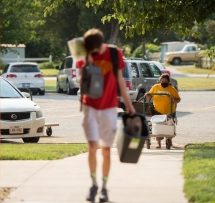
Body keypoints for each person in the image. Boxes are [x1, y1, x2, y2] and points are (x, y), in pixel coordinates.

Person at [76, 28, 136, 202]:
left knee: (106, 150)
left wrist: (129, 105)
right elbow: (81, 82)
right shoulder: (83, 53)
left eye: (93, 50)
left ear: (100, 45)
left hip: (109, 107)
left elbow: (120, 82)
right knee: (93, 147)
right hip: (90, 106)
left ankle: (104, 187)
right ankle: (93, 184)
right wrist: (87, 62)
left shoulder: (114, 53)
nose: (92, 53)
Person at [145, 74, 181, 148]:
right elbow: (149, 96)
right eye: (162, 81)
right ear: (160, 80)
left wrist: (173, 99)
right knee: (158, 126)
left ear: (168, 81)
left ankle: (169, 140)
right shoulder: (156, 87)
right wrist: (147, 95)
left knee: (169, 126)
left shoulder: (172, 89)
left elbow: (178, 99)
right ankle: (159, 143)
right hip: (157, 110)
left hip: (169, 111)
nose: (164, 82)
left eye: (166, 81)